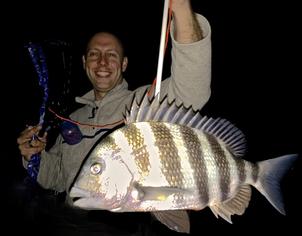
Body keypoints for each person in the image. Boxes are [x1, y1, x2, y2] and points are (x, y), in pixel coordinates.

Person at [16, 0, 211, 235]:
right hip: (68, 223)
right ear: (84, 63)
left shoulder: (145, 104)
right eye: (94, 54)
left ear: (124, 63)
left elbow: (192, 88)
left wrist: (180, 9)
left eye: (112, 55)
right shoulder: (74, 118)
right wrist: (35, 157)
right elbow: (56, 178)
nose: (102, 62)